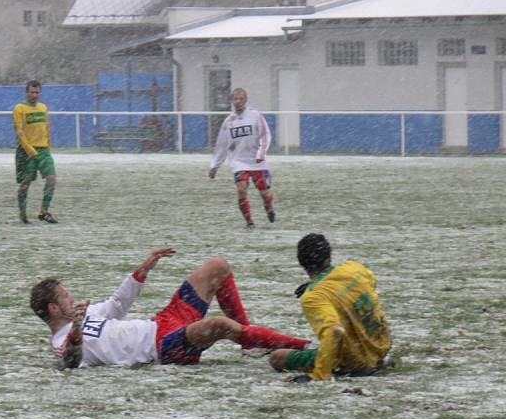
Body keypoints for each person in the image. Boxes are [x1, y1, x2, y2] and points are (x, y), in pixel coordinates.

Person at [30, 247, 310, 369]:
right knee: (220, 326)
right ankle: (303, 347)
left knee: (218, 267)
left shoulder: (88, 313)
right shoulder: (59, 341)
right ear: (54, 309)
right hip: (164, 348)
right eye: (66, 297)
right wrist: (77, 327)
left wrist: (144, 267)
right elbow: (69, 359)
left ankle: (249, 342)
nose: (73, 298)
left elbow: (117, 303)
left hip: (162, 323)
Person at [269, 233, 393, 382]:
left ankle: (355, 365)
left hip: (355, 358)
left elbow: (334, 331)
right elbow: (370, 282)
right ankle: (376, 358)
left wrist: (320, 375)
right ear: (329, 255)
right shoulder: (353, 268)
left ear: (301, 262)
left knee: (277, 358)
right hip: (381, 345)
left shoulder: (314, 297)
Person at [208, 88, 276, 229]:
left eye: (241, 99)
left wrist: (261, 153)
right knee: (241, 189)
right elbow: (221, 144)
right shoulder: (229, 121)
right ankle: (249, 222)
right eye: (235, 99)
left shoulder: (255, 115)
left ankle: (268, 207)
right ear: (232, 101)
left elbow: (265, 135)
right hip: (239, 162)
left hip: (257, 162)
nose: (238, 102)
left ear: (245, 100)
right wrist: (214, 166)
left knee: (265, 193)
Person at [12, 80, 58, 224]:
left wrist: (48, 144)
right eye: (32, 92)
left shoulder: (43, 108)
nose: (34, 95)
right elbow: (19, 132)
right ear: (26, 92)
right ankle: (22, 214)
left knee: (51, 178)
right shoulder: (19, 109)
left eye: (37, 92)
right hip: (26, 152)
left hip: (43, 150)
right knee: (26, 183)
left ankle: (44, 212)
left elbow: (46, 127)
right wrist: (29, 149)